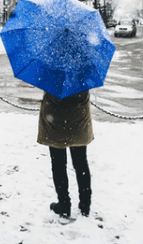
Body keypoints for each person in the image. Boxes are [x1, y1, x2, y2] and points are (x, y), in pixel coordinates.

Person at [37, 90, 94, 218]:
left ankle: (64, 205)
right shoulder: (82, 74)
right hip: (78, 123)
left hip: (56, 124)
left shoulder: (52, 73)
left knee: (58, 165)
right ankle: (85, 205)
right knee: (81, 165)